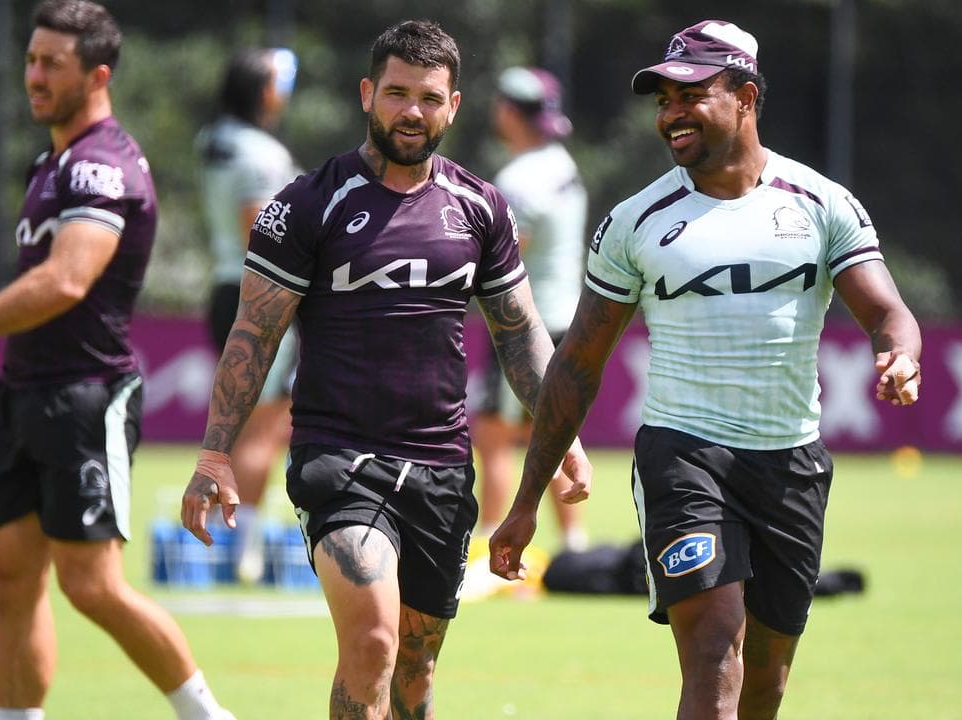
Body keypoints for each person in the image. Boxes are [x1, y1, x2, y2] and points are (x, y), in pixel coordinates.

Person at [489, 19, 923, 720]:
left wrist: (900, 353)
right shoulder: (637, 221)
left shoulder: (821, 204)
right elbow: (577, 366)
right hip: (684, 458)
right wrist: (524, 501)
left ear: (747, 96)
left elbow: (889, 312)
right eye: (662, 100)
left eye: (692, 95)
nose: (671, 115)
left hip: (790, 466)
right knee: (716, 654)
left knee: (767, 682)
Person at [179, 20, 591, 719]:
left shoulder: (481, 208)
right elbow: (253, 332)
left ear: (452, 106)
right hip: (338, 458)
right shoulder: (308, 203)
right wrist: (215, 450)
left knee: (415, 671)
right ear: (368, 93)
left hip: (438, 466)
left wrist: (563, 436)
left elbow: (521, 336)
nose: (411, 112)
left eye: (429, 98)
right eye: (396, 93)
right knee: (371, 642)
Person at [0, 2, 234, 718]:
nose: (35, 76)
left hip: (85, 395)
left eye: (53, 63)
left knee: (91, 585)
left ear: (99, 74)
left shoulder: (101, 168)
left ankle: (209, 716)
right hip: (23, 392)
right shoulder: (52, 162)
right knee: (11, 574)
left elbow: (67, 280)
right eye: (30, 60)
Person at [469, 66, 589, 552]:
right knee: (555, 433)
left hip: (524, 324)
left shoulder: (519, 178)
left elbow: (508, 251)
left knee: (494, 435)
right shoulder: (563, 163)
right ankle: (574, 543)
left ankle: (487, 542)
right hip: (568, 316)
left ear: (507, 111)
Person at [196, 46, 304, 583]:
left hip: (221, 285)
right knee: (265, 427)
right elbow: (262, 233)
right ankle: (243, 551)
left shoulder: (212, 141)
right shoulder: (261, 152)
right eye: (279, 82)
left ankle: (222, 540)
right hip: (259, 296)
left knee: (238, 423)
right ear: (263, 90)